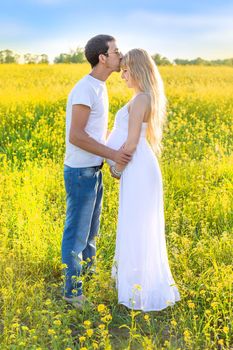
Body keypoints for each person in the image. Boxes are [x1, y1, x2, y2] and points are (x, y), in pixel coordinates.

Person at [106, 49, 181, 311]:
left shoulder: (140, 100)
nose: (122, 75)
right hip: (140, 166)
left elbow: (130, 142)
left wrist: (115, 168)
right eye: (122, 70)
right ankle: (139, 283)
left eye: (126, 71)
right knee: (137, 223)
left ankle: (140, 289)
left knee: (136, 224)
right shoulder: (143, 97)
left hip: (137, 166)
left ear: (138, 70)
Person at [62, 34, 132, 308]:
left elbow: (96, 133)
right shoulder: (85, 89)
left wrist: (111, 157)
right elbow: (76, 136)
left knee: (91, 231)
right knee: (76, 233)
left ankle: (88, 276)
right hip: (80, 172)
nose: (120, 55)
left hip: (94, 168)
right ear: (103, 58)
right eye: (116, 51)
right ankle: (72, 291)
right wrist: (114, 155)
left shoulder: (100, 87)